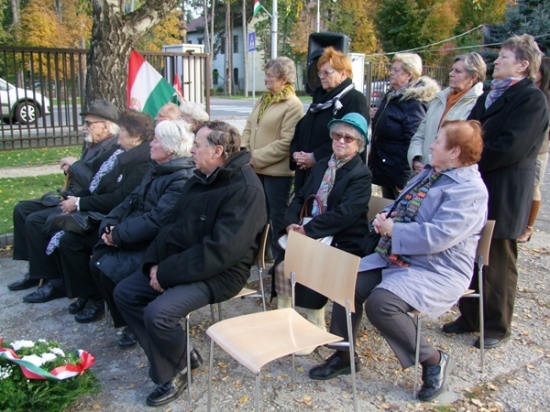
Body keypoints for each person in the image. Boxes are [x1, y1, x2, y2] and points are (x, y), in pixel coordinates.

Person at [310, 120, 488, 402]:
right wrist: (385, 217)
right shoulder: (430, 173)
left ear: (455, 152)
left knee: (382, 304)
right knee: (345, 283)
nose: (431, 146)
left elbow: (439, 236)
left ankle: (434, 360)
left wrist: (394, 230)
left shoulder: (470, 190)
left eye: (438, 141)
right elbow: (401, 203)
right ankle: (344, 356)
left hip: (436, 269)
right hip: (396, 257)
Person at [113, 121, 267, 407]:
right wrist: (154, 263)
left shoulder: (245, 190)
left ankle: (175, 372)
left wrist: (166, 273)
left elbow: (221, 252)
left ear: (217, 151)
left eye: (197, 145)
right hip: (184, 262)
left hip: (221, 274)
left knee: (159, 314)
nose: (192, 150)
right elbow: (171, 227)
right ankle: (180, 354)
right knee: (125, 293)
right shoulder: (201, 177)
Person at [444, 34, 549, 349]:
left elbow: (511, 147)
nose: (496, 61)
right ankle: (471, 316)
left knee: (498, 259)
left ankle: (497, 325)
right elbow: (469, 131)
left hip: (504, 190)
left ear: (523, 64)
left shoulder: (531, 99)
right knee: (470, 250)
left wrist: (467, 157)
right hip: (477, 185)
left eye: (504, 57)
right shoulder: (490, 94)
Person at [56, 120, 194, 326]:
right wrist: (110, 224)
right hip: (134, 231)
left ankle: (130, 321)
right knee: (84, 250)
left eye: (156, 141)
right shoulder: (157, 168)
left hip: (154, 242)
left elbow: (157, 219)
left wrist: (118, 235)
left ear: (170, 150)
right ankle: (107, 306)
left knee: (103, 265)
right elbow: (130, 199)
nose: (150, 144)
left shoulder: (179, 178)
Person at [20, 110, 152, 304]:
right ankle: (70, 288)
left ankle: (89, 295)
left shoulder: (141, 161)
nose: (118, 134)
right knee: (42, 221)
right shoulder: (121, 152)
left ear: (136, 137)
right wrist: (76, 199)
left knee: (69, 240)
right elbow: (99, 184)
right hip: (102, 210)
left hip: (116, 218)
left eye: (123, 130)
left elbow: (120, 198)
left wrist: (79, 203)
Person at [275, 112, 371, 354]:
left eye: (348, 138)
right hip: (312, 230)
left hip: (344, 237)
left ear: (359, 144)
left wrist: (306, 230)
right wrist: (291, 224)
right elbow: (300, 196)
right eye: (337, 136)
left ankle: (313, 326)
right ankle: (284, 321)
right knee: (282, 263)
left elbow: (345, 214)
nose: (341, 141)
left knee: (310, 261)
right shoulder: (322, 165)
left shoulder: (361, 174)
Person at [8, 100, 120, 292]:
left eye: (89, 123)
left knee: (36, 221)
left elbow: (95, 182)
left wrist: (75, 165)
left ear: (106, 126)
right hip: (68, 196)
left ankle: (54, 281)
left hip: (81, 202)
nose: (84, 127)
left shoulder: (112, 149)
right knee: (22, 210)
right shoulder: (92, 143)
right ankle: (35, 271)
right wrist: (71, 168)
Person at [241, 56, 304, 260]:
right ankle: (260, 255)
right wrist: (244, 150)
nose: (266, 79)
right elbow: (250, 126)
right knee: (257, 214)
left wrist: (255, 157)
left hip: (277, 173)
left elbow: (286, 142)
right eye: (266, 74)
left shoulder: (292, 105)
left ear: (284, 79)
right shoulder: (263, 99)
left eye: (270, 75)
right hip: (255, 167)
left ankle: (280, 261)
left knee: (277, 217)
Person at [290, 46, 368, 193]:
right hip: (306, 172)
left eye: (327, 72)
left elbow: (352, 139)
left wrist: (314, 157)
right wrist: (296, 154)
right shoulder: (320, 99)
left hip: (333, 176)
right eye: (320, 72)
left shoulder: (354, 99)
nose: (321, 76)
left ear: (343, 74)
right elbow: (301, 129)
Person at [368, 53, 440, 199]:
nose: (391, 73)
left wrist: (403, 179)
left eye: (396, 70)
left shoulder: (414, 102)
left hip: (398, 175)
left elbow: (413, 140)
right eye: (392, 69)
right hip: (386, 168)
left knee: (397, 209)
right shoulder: (393, 95)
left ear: (408, 75)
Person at [408, 53, 486, 174]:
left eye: (458, 71)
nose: (451, 73)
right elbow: (420, 135)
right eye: (452, 69)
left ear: (473, 77)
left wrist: (437, 167)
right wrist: (416, 159)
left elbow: (468, 150)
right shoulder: (439, 99)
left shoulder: (478, 105)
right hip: (424, 173)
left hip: (449, 176)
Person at [517, 56, 550, 242]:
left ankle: (528, 227)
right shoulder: (526, 92)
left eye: (538, 70)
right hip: (524, 148)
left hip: (539, 149)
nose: (533, 73)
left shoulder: (545, 98)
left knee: (534, 186)